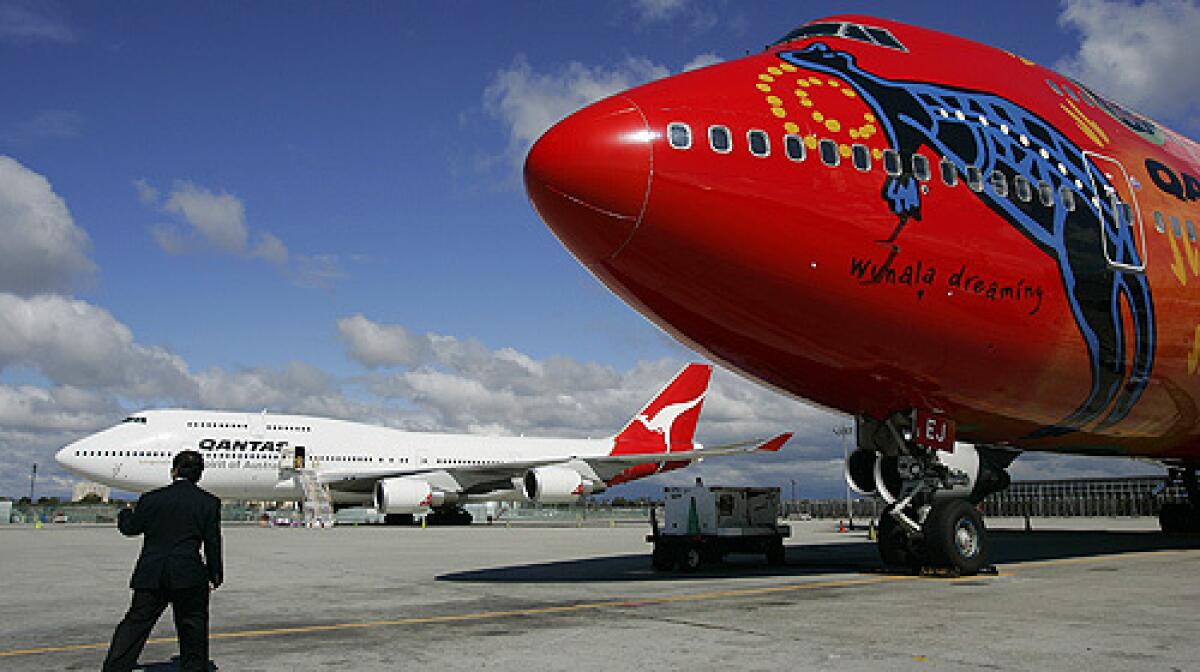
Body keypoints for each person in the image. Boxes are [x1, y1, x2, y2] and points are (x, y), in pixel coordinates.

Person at [102, 450, 222, 672]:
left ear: (174, 471)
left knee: (136, 624)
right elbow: (213, 542)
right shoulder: (209, 502)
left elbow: (131, 529)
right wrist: (215, 574)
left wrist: (124, 515)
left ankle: (116, 667)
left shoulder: (151, 498)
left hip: (152, 572)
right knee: (193, 626)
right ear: (199, 475)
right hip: (189, 574)